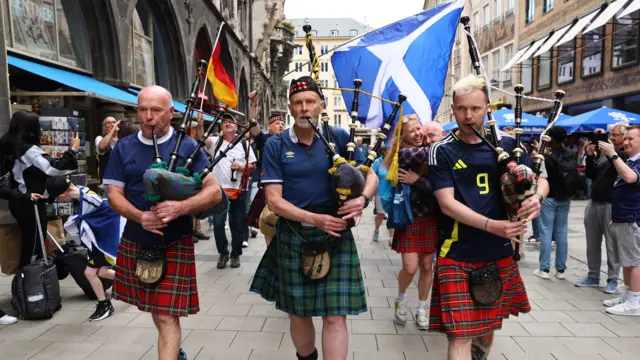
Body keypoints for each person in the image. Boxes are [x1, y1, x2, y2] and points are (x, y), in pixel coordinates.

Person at [250, 76, 378, 360]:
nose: (304, 108)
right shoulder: (276, 144)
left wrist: (362, 200)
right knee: (298, 312)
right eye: (298, 103)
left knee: (335, 317)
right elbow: (274, 200)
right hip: (294, 234)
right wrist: (315, 218)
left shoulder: (339, 139)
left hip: (335, 236)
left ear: (321, 105)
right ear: (290, 108)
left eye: (310, 102)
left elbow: (370, 175)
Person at [428, 75, 549, 359]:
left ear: (487, 108)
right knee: (459, 335)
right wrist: (492, 225)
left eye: (475, 108)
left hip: (499, 251)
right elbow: (446, 204)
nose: (467, 115)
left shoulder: (509, 144)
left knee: (486, 330)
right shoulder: (441, 150)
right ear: (453, 109)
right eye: (460, 108)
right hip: (457, 251)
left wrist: (537, 197)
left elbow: (541, 180)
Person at [103, 85, 222, 360]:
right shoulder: (123, 147)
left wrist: (182, 207)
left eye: (155, 110)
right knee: (158, 312)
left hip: (174, 240)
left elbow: (214, 191)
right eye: (142, 109)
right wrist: (141, 216)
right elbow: (114, 195)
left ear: (171, 112)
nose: (148, 116)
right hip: (136, 237)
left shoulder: (188, 146)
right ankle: (174, 349)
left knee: (167, 315)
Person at [386, 116, 444, 331]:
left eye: (420, 128)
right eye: (412, 131)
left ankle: (422, 307)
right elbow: (435, 154)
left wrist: (418, 180)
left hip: (430, 218)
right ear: (403, 137)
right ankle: (401, 298)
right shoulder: (404, 154)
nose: (419, 133)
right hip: (410, 218)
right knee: (410, 268)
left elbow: (436, 187)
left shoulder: (428, 152)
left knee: (428, 266)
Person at [0, 110, 79, 268]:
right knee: (35, 243)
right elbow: (54, 168)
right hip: (31, 203)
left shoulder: (7, 145)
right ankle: (30, 282)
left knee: (31, 241)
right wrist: (73, 150)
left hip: (19, 200)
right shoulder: (29, 150)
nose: (41, 130)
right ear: (30, 129)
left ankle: (28, 280)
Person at [46, 176, 121, 322]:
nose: (61, 201)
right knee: (102, 272)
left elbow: (109, 210)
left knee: (90, 273)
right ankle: (134, 282)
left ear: (62, 194)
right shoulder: (81, 195)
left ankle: (104, 305)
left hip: (99, 242)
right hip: (97, 240)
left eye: (58, 198)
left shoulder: (87, 198)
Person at [576, 124, 628, 293]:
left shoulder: (623, 155)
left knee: (612, 244)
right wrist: (591, 156)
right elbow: (591, 174)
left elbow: (620, 166)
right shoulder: (604, 154)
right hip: (594, 203)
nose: (611, 137)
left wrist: (611, 152)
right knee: (592, 243)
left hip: (610, 204)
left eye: (614, 135)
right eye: (609, 134)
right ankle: (593, 275)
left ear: (623, 137)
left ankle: (612, 279)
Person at [205, 114, 256, 269]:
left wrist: (241, 167)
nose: (227, 123)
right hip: (219, 191)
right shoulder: (215, 142)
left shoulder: (244, 144)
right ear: (221, 126)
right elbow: (201, 137)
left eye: (230, 121)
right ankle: (223, 253)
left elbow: (253, 165)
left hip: (239, 191)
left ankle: (235, 254)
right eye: (224, 121)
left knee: (237, 224)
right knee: (219, 224)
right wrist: (200, 123)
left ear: (236, 126)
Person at [598, 125, 640, 316]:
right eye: (626, 138)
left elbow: (630, 178)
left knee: (633, 262)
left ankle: (634, 302)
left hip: (632, 218)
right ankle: (628, 295)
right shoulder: (631, 161)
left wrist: (613, 155)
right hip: (623, 217)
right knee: (626, 260)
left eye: (631, 138)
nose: (626, 141)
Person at [534, 126, 577, 280]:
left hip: (549, 196)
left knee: (545, 231)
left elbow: (541, 176)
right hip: (565, 197)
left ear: (550, 138)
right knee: (562, 232)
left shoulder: (547, 156)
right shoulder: (572, 154)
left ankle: (544, 268)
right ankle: (561, 269)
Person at [371, 146, 393, 243]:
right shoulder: (378, 162)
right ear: (384, 152)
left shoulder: (395, 160)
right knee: (380, 214)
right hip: (380, 193)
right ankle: (376, 230)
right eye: (389, 149)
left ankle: (391, 238)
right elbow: (371, 176)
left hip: (393, 192)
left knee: (392, 215)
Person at [95, 117, 120, 186]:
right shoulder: (100, 138)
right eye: (109, 123)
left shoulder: (123, 139)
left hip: (122, 181)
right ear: (104, 127)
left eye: (114, 122)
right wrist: (112, 131)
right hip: (107, 182)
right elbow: (102, 147)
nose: (112, 124)